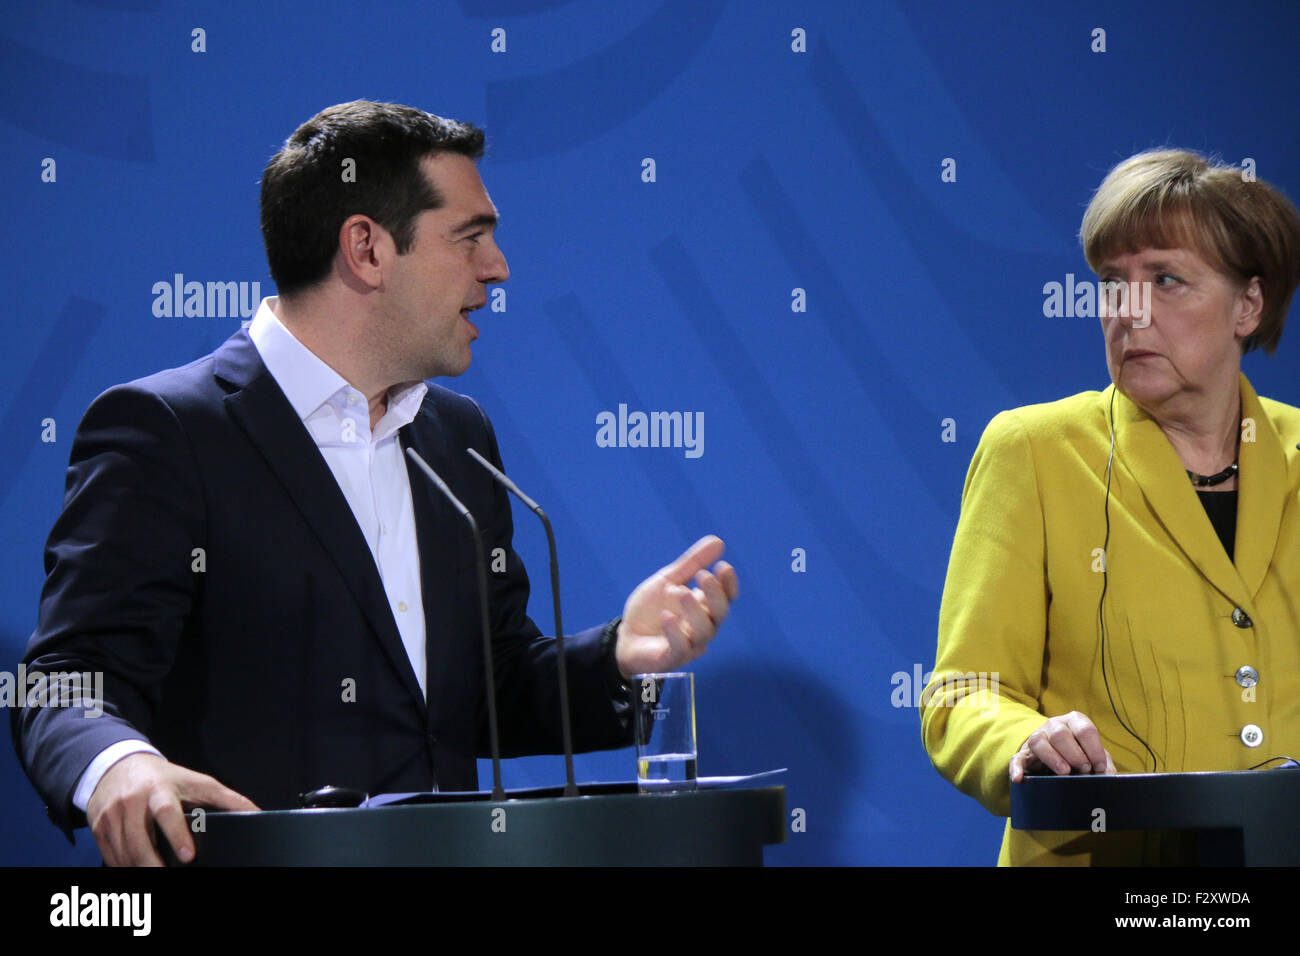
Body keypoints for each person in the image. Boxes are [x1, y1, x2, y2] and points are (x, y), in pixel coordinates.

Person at [10, 101, 739, 867]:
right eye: (470, 237)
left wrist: (622, 655)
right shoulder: (169, 430)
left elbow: (487, 689)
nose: (498, 268)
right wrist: (116, 764)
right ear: (366, 249)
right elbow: (61, 681)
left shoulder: (458, 439)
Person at [921, 149, 1300, 865]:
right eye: (1112, 284)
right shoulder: (1034, 451)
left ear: (1248, 305)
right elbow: (962, 695)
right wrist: (1022, 743)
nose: (1129, 311)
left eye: (1166, 280)